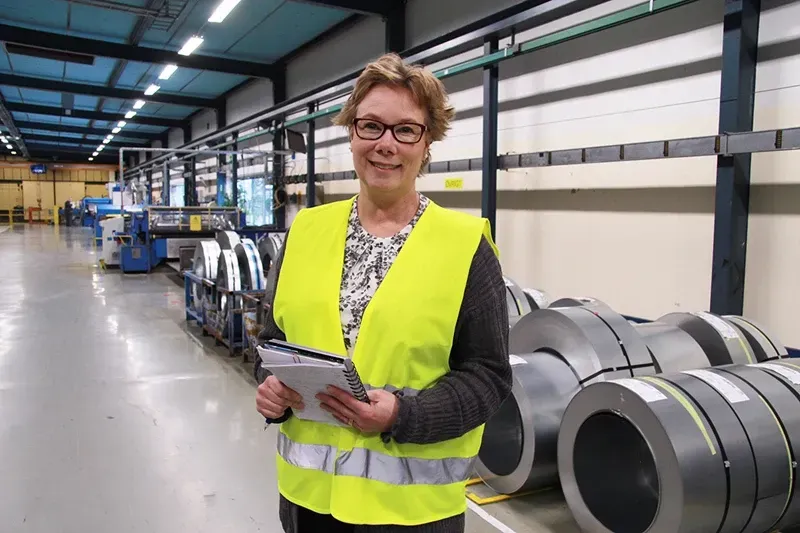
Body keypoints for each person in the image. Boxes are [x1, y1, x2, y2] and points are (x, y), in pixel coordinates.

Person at [255, 53, 511, 533]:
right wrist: (270, 391)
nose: (385, 145)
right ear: (351, 132)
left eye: (406, 130)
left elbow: (490, 377)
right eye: (370, 126)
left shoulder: (465, 245)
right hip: (309, 505)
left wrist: (405, 414)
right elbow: (273, 343)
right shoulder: (305, 231)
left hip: (411, 515)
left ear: (427, 142)